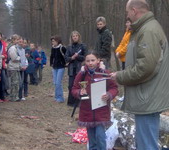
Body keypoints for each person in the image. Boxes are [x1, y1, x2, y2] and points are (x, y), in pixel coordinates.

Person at [110, 0, 169, 149]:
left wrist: (120, 76)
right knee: (144, 143)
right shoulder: (144, 29)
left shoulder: (148, 31)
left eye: (128, 12)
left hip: (148, 98)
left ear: (134, 10)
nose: (127, 15)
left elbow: (146, 67)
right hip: (146, 97)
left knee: (147, 145)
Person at [72, 51, 118, 150]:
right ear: (85, 62)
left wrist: (109, 94)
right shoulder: (82, 74)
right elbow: (74, 89)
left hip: (101, 111)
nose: (90, 63)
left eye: (93, 60)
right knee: (92, 140)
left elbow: (114, 88)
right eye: (88, 61)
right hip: (86, 112)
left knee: (100, 137)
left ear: (98, 61)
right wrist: (79, 92)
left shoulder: (105, 73)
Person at [65, 31, 87, 106]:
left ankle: (79, 102)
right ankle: (71, 102)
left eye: (76, 36)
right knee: (71, 85)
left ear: (79, 37)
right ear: (71, 38)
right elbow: (66, 58)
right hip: (71, 69)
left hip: (80, 68)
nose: (75, 37)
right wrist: (72, 58)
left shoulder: (83, 46)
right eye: (73, 36)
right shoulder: (69, 47)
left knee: (79, 85)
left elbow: (85, 57)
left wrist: (78, 56)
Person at [50, 35, 66, 103]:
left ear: (57, 41)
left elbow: (66, 56)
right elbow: (52, 56)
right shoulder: (53, 48)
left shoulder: (62, 48)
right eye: (52, 41)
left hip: (61, 67)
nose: (52, 42)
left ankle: (60, 98)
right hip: (54, 67)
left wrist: (66, 63)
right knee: (55, 83)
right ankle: (56, 97)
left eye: (53, 41)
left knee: (58, 83)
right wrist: (51, 63)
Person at [7, 34, 21, 102]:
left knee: (17, 82)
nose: (18, 41)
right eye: (17, 40)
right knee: (14, 82)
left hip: (16, 67)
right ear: (13, 40)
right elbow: (14, 58)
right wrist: (21, 58)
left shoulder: (15, 47)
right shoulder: (12, 48)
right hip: (13, 67)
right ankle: (13, 96)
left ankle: (16, 96)